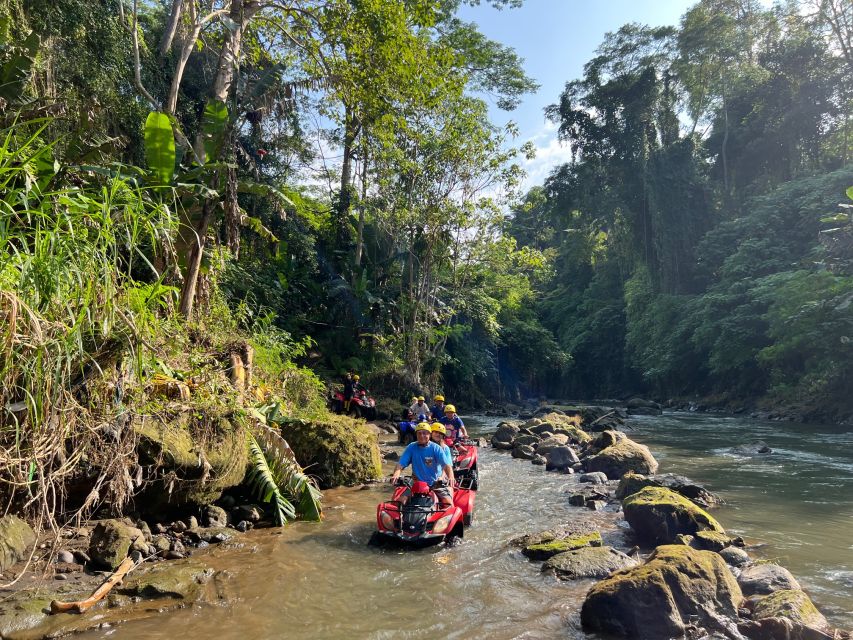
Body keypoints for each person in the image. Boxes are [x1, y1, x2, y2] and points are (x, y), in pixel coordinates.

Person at [390, 423, 454, 507]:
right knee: (400, 502)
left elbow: (446, 465)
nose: (422, 435)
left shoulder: (436, 448)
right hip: (415, 484)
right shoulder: (411, 447)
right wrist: (396, 474)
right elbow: (400, 465)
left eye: (425, 433)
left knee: (448, 504)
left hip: (435, 484)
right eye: (419, 433)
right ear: (416, 434)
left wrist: (451, 477)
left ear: (429, 435)